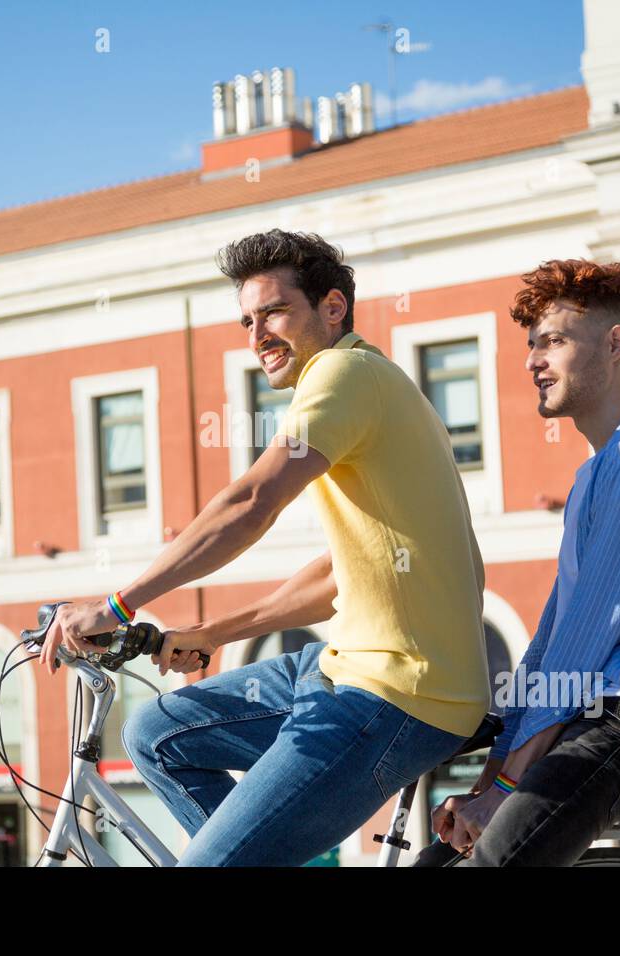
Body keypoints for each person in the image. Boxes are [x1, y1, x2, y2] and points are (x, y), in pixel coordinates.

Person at [39, 229, 492, 866]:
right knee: (156, 731)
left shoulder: (344, 373)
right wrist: (215, 629)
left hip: (397, 694)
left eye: (275, 312)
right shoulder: (376, 386)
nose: (257, 336)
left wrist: (117, 606)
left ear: (333, 309)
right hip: (344, 667)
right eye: (247, 321)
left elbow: (252, 502)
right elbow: (341, 574)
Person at [416, 258, 620, 866]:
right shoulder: (593, 474)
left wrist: (504, 789)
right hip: (586, 715)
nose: (532, 361)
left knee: (495, 861)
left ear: (615, 343)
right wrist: (490, 778)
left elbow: (586, 637)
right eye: (531, 345)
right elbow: (554, 637)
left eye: (552, 341)